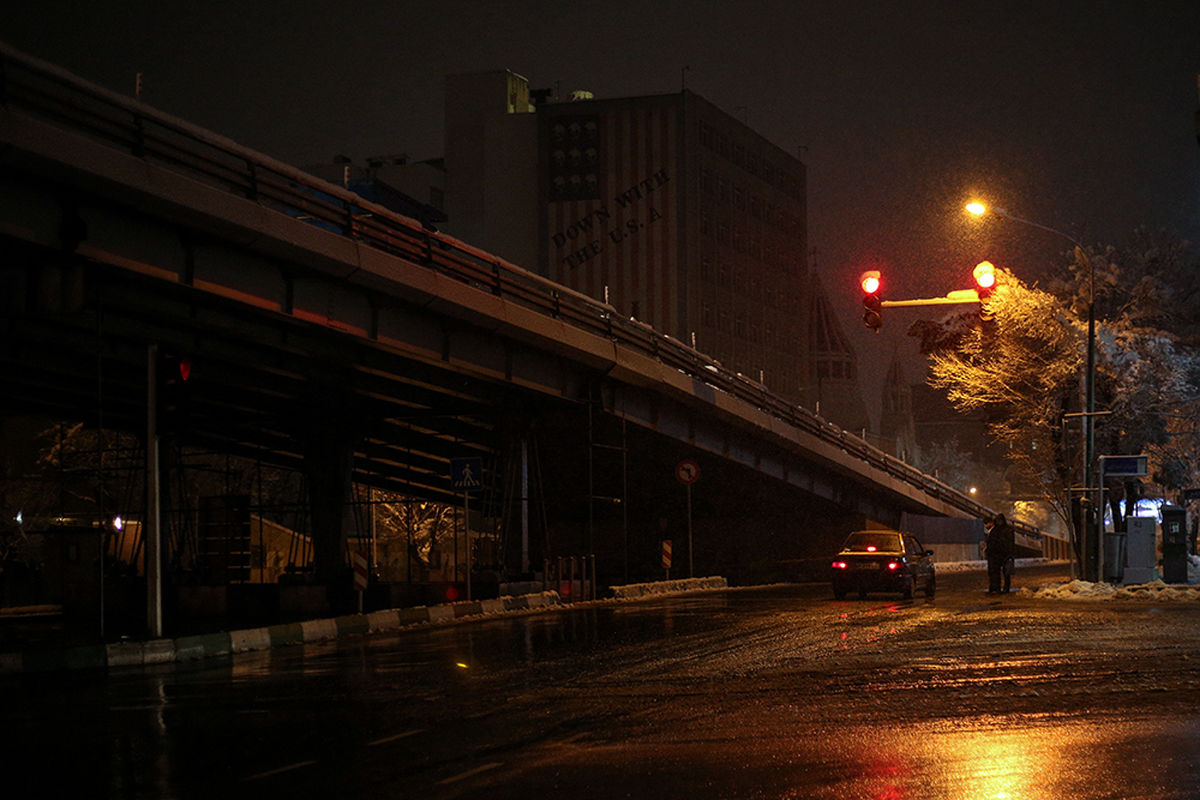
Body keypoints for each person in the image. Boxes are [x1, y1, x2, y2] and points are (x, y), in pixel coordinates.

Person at [985, 513, 1015, 593]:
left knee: (1003, 572)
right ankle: (1002, 588)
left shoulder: (997, 530)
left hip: (1001, 554)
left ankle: (1001, 588)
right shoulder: (1005, 530)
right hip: (999, 554)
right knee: (1002, 573)